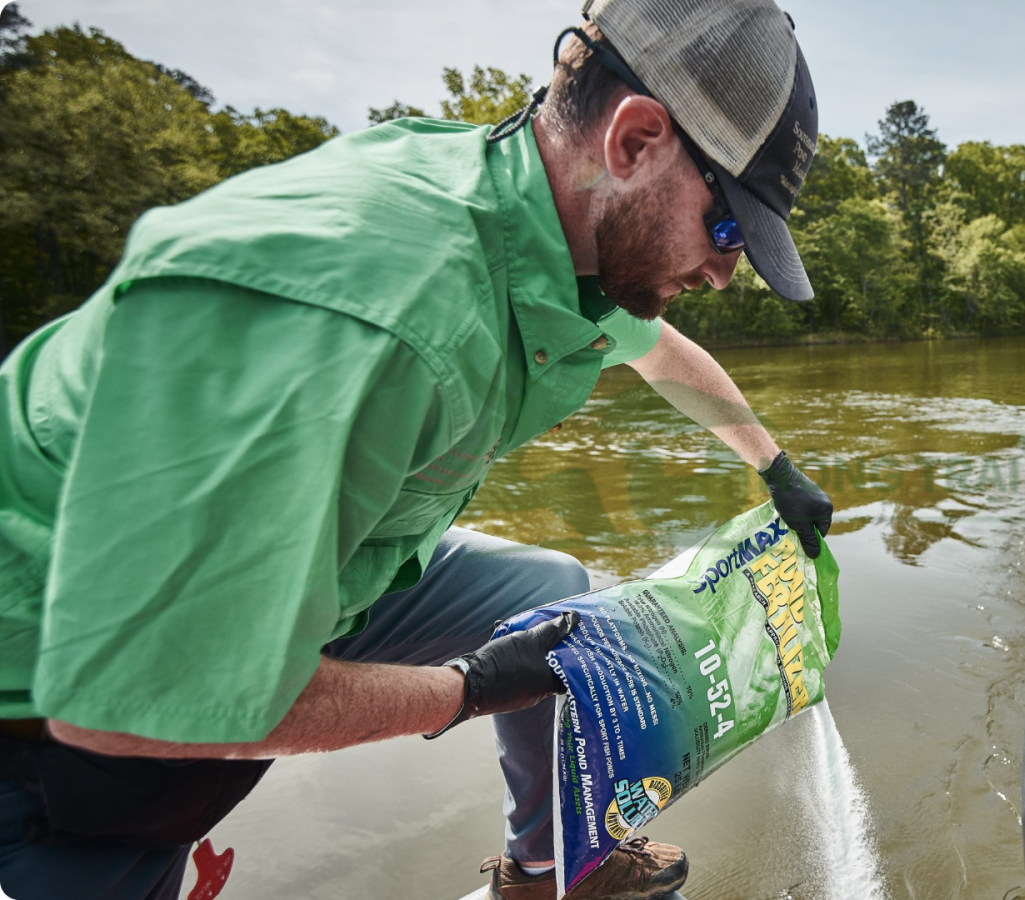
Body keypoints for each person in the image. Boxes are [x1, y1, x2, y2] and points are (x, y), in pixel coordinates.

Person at [0, 0, 832, 897]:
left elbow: (661, 352)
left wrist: (774, 467)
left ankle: (549, 868)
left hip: (326, 581)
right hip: (60, 702)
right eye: (727, 231)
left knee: (555, 605)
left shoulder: (564, 235)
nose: (724, 272)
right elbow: (135, 704)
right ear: (634, 142)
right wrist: (465, 690)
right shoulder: (364, 310)